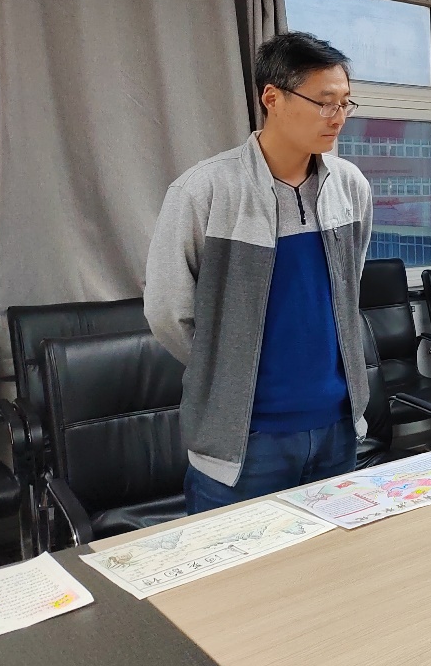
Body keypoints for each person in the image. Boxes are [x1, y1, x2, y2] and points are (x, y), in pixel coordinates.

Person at [145, 32, 373, 513]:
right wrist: (225, 369)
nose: (338, 117)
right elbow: (168, 312)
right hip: (245, 441)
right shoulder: (205, 190)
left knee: (333, 559)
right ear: (272, 98)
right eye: (324, 102)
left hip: (337, 427)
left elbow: (348, 289)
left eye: (345, 103)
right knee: (231, 563)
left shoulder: (350, 186)